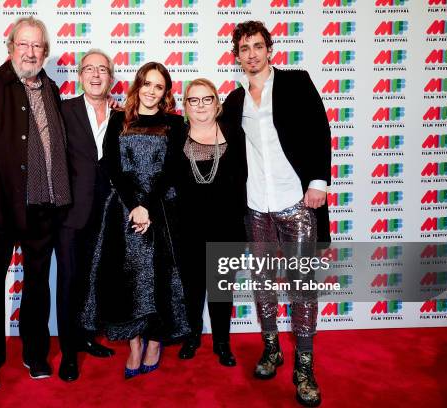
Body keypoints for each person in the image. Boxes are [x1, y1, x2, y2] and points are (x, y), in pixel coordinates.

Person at [222, 21, 331, 407]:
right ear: (236, 56)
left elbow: (320, 129)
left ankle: (304, 366)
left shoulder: (297, 82)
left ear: (270, 49)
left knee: (302, 286)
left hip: (296, 202)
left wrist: (318, 182)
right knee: (265, 282)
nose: (251, 54)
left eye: (257, 46)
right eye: (244, 48)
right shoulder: (235, 100)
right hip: (256, 206)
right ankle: (272, 348)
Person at [0, 16, 70, 392]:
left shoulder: (52, 89)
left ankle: (35, 354)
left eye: (37, 45)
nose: (30, 52)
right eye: (23, 44)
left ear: (46, 52)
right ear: (10, 48)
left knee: (37, 284)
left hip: (44, 205)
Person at [80, 62, 190, 379]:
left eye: (159, 86)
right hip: (122, 210)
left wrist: (148, 207)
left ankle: (154, 343)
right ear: (137, 86)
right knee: (127, 279)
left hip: (162, 210)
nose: (152, 91)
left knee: (159, 279)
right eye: (147, 84)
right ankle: (134, 345)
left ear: (165, 92)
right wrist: (134, 206)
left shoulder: (175, 123)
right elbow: (113, 168)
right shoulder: (119, 120)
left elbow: (171, 171)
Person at [175, 79, 247, 367]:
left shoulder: (234, 133)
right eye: (194, 100)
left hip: (227, 225)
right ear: (185, 105)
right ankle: (192, 336)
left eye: (207, 99)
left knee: (221, 288)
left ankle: (222, 342)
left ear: (217, 103)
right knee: (191, 287)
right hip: (187, 226)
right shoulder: (175, 134)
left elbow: (243, 177)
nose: (201, 105)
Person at [55, 49, 117, 382]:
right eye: (89, 69)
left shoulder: (121, 115)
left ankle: (87, 337)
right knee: (68, 283)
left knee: (94, 282)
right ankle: (68, 354)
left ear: (112, 77)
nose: (95, 75)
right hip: (70, 213)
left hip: (107, 213)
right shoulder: (63, 110)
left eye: (102, 70)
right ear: (80, 75)